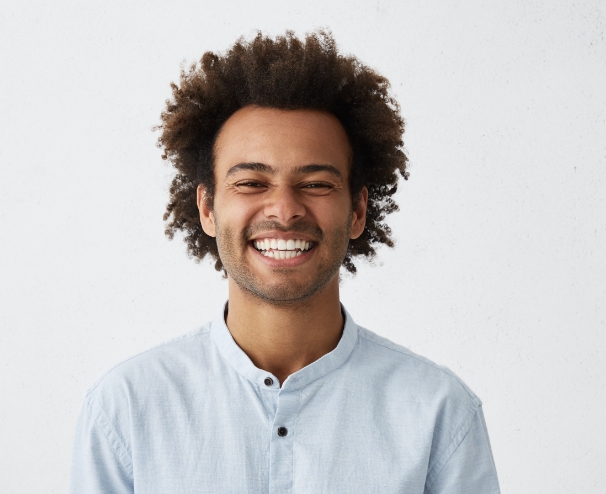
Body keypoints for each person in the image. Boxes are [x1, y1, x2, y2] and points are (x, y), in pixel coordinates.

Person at [70, 31, 500, 493]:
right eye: (252, 183)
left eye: (315, 184)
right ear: (208, 209)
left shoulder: (439, 413)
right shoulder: (126, 409)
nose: (284, 209)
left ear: (357, 211)